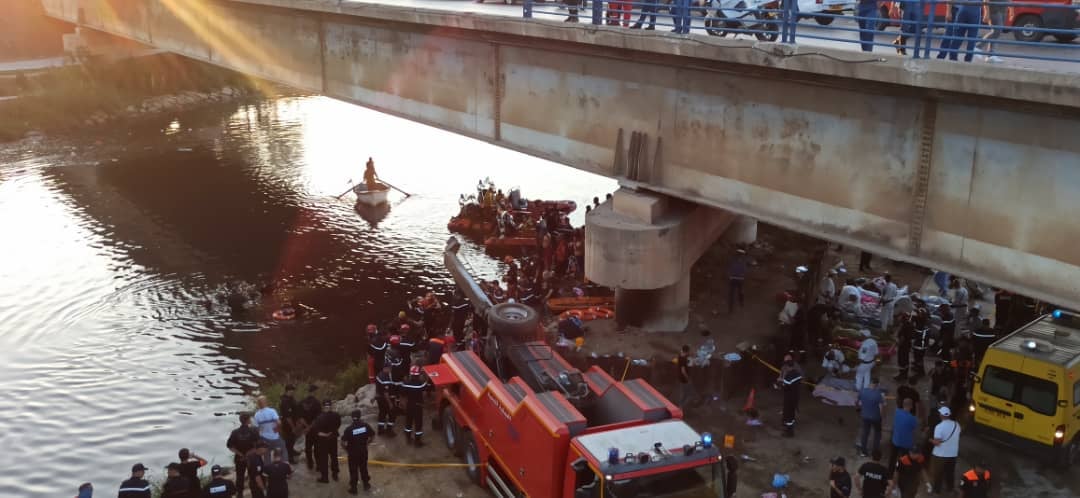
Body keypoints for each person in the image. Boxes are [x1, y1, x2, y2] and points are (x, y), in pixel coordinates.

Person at [341, 408, 375, 494]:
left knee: (353, 470)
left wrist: (347, 449)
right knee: (363, 468)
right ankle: (366, 484)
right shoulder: (365, 426)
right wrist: (367, 443)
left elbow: (342, 442)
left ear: (352, 417)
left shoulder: (349, 429)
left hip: (352, 453)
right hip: (363, 451)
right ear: (360, 416)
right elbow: (372, 435)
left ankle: (354, 489)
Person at [226, 412, 259, 497]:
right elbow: (257, 446)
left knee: (240, 476)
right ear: (248, 420)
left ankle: (240, 494)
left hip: (239, 458)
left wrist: (240, 454)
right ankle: (255, 494)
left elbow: (230, 446)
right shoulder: (254, 430)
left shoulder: (235, 432)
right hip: (251, 458)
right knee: (253, 476)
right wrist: (248, 453)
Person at [930, 406, 961, 494]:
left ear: (942, 415)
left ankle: (937, 490)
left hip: (940, 454)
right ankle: (950, 488)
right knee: (950, 472)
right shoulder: (957, 425)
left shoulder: (939, 427)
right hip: (953, 454)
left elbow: (937, 443)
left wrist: (930, 440)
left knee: (938, 473)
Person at [309, 400, 342, 483]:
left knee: (324, 459)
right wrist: (332, 432)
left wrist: (325, 435)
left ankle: (325, 477)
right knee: (334, 457)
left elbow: (316, 432)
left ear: (323, 407)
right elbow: (338, 424)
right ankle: (335, 474)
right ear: (331, 406)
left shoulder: (319, 418)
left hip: (323, 441)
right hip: (333, 439)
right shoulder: (336, 415)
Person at [401, 365, 430, 447]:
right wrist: (427, 376)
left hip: (409, 405)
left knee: (408, 422)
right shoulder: (420, 384)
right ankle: (417, 442)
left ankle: (408, 438)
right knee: (418, 424)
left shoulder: (406, 383)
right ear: (417, 375)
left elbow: (402, 393)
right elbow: (426, 386)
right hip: (418, 406)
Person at [857, 378, 886, 457]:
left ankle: (863, 451)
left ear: (870, 383)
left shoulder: (863, 391)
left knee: (865, 433)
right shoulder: (878, 394)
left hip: (865, 416)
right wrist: (882, 417)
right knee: (877, 433)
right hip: (876, 417)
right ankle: (875, 452)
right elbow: (881, 408)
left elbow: (858, 401)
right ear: (877, 385)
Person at [253, 396, 286, 464]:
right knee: (282, 451)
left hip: (264, 437)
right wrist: (277, 429)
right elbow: (279, 422)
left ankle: (267, 470)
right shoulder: (272, 411)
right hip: (275, 437)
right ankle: (284, 467)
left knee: (266, 455)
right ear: (266, 402)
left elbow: (256, 428)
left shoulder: (256, 414)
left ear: (258, 404)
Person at [777, 353, 803, 437]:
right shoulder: (796, 373)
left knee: (789, 412)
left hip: (790, 395)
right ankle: (787, 423)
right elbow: (782, 375)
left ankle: (789, 431)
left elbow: (786, 385)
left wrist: (779, 385)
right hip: (794, 394)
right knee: (789, 411)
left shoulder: (791, 374)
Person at [889, 398, 919, 472]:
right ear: (911, 406)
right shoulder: (912, 418)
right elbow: (915, 428)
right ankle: (900, 472)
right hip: (906, 443)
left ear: (903, 405)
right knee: (904, 460)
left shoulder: (897, 412)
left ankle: (890, 472)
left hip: (896, 440)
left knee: (893, 458)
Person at [299, 385, 320, 470]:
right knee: (317, 447)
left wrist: (306, 427)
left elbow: (300, 417)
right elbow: (318, 418)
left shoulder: (302, 402)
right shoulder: (317, 403)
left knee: (308, 447)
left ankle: (310, 464)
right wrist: (310, 427)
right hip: (315, 429)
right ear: (314, 392)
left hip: (306, 429)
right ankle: (318, 465)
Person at [279, 385, 301, 463]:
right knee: (289, 440)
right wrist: (293, 427)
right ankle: (289, 457)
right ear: (288, 390)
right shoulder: (285, 401)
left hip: (294, 421)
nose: (293, 391)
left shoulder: (291, 398)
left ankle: (292, 451)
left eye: (293, 390)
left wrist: (297, 422)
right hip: (288, 424)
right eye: (292, 390)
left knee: (293, 438)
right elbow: (288, 416)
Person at [374, 364, 399, 435]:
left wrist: (375, 397)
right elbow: (386, 393)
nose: (391, 370)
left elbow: (378, 388)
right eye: (390, 368)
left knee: (382, 414)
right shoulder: (385, 378)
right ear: (386, 368)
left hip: (379, 399)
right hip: (385, 400)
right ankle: (389, 430)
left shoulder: (379, 375)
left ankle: (380, 430)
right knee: (392, 414)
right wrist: (390, 403)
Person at [893, 312, 914, 381]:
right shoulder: (910, 324)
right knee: (906, 360)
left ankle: (902, 375)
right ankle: (905, 374)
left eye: (900, 317)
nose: (899, 318)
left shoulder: (905, 325)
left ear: (903, 318)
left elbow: (902, 337)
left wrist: (898, 344)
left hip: (903, 346)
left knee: (901, 360)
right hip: (907, 345)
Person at [910, 311, 930, 380]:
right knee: (917, 358)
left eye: (920, 314)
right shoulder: (922, 324)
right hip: (919, 345)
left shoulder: (921, 327)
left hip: (920, 346)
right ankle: (918, 369)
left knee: (919, 359)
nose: (918, 315)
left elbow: (917, 335)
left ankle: (921, 372)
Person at [727, 248, 749, 312]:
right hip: (740, 279)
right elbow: (744, 270)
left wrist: (730, 276)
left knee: (732, 294)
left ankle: (731, 308)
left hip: (733, 278)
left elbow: (730, 268)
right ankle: (741, 302)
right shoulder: (743, 262)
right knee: (740, 291)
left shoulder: (733, 260)